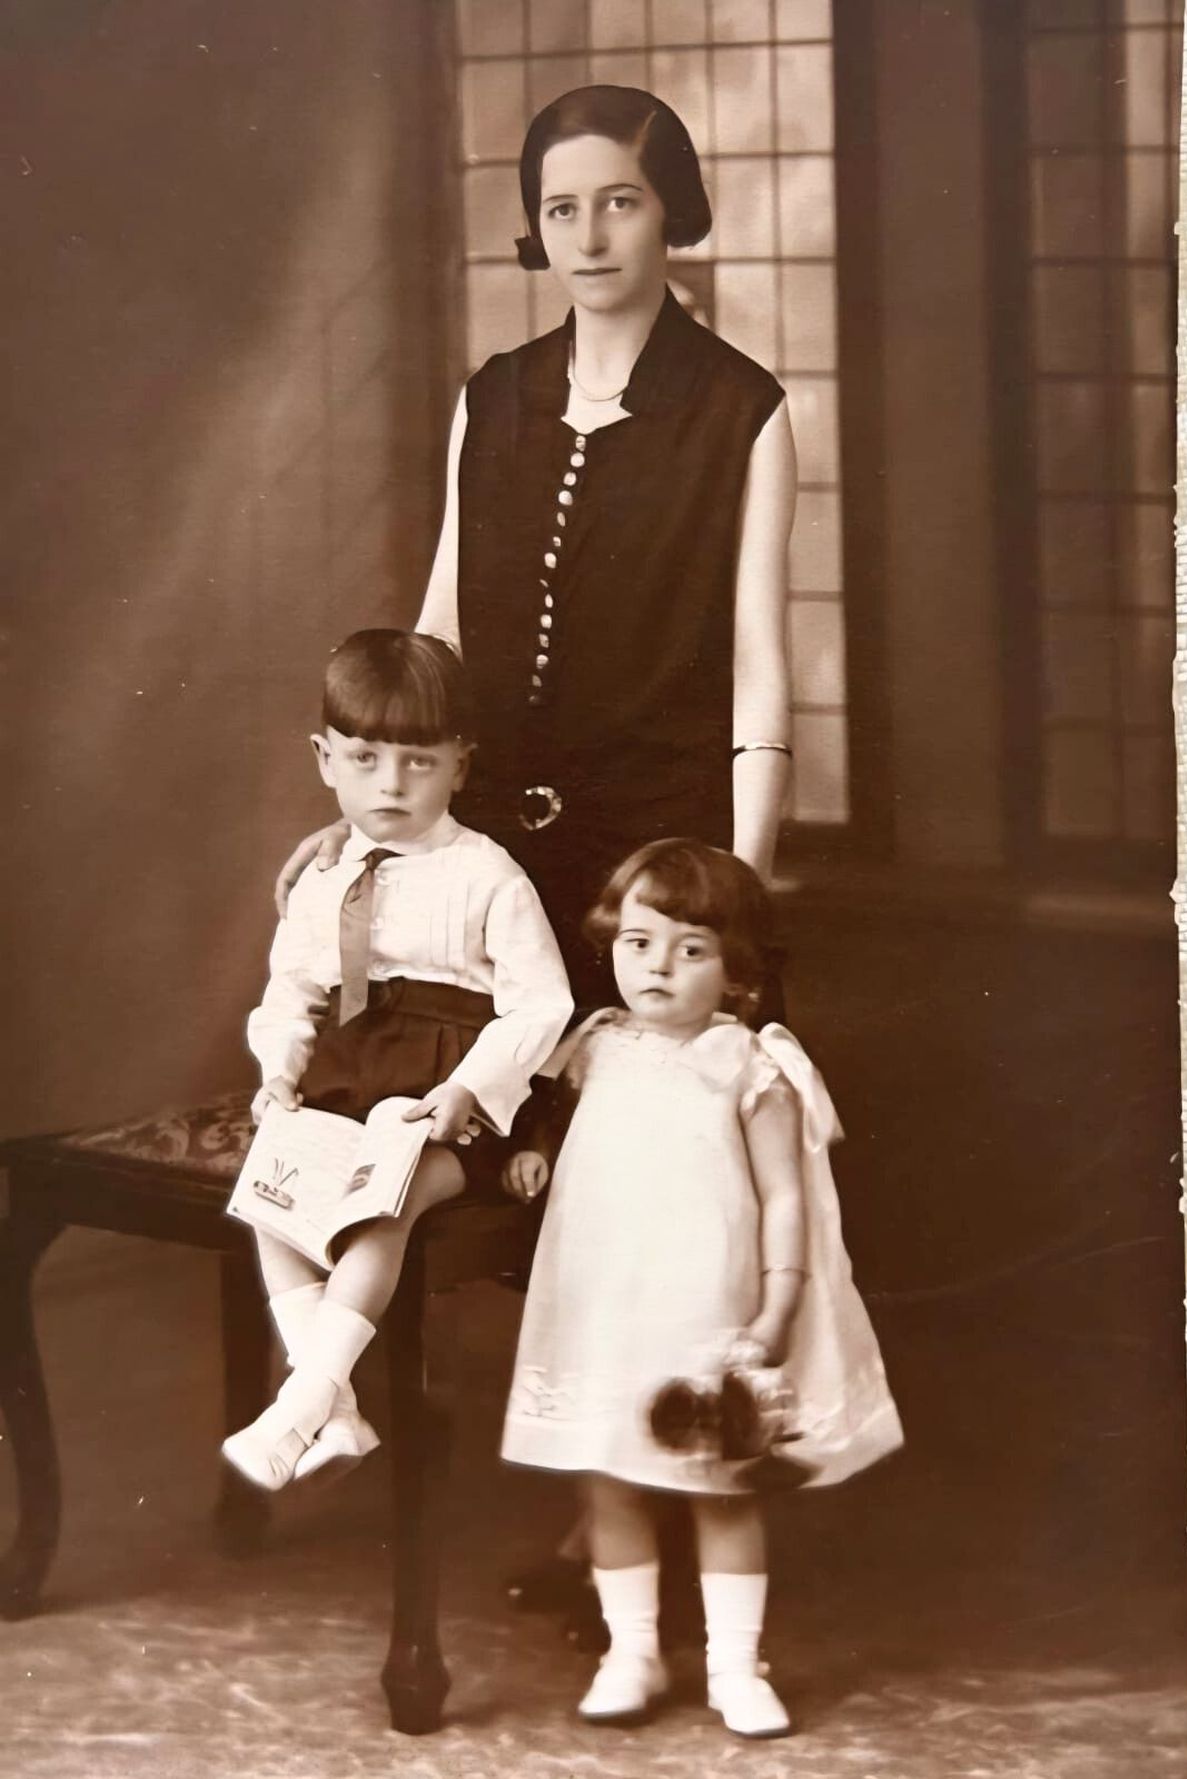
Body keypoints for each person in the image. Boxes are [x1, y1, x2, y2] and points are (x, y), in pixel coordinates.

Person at [272, 83, 796, 1616]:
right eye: (561, 207)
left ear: (671, 207)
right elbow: (439, 629)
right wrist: (377, 816)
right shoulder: (492, 398)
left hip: (656, 873)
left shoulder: (742, 406)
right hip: (496, 854)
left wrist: (733, 897)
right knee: (478, 1152)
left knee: (646, 1186)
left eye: (620, 199)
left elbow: (760, 667)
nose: (590, 234)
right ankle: (534, 1462)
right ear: (534, 226)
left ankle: (637, 1510)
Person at [499, 840, 904, 1739]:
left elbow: (785, 1195)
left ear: (737, 972)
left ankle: (734, 1665)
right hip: (606, 1306)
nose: (659, 967)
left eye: (691, 950)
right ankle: (631, 1650)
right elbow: (560, 1126)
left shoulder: (750, 1064)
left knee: (722, 1487)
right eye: (639, 943)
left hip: (706, 1311)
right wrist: (534, 1150)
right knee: (610, 1479)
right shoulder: (594, 1048)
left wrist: (778, 1303)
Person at [223, 629, 573, 1492]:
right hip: (345, 1079)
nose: (390, 783)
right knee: (272, 1196)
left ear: (460, 764)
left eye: (419, 761)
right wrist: (278, 1072)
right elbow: (290, 993)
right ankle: (334, 1408)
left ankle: (300, 1405)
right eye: (365, 758)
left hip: (448, 1099)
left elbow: (541, 1003)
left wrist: (467, 1088)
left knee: (389, 1197)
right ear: (325, 759)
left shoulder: (488, 874)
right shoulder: (323, 879)